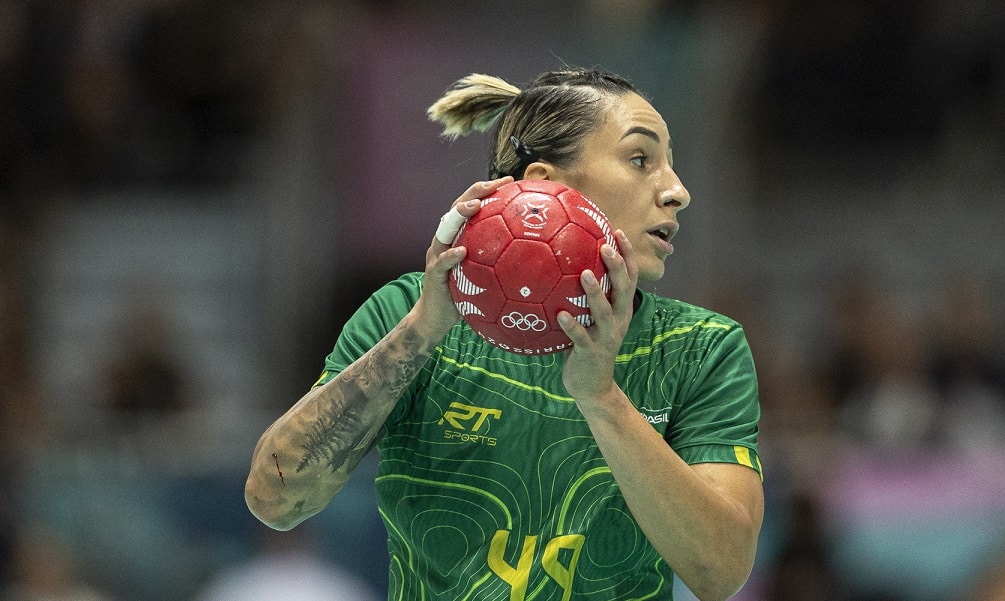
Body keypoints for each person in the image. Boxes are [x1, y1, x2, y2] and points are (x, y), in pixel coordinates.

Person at [245, 68, 763, 601]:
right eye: (640, 159)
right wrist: (423, 331)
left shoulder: (700, 347)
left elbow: (720, 572)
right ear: (543, 185)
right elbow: (276, 499)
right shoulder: (407, 314)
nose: (678, 192)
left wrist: (602, 398)